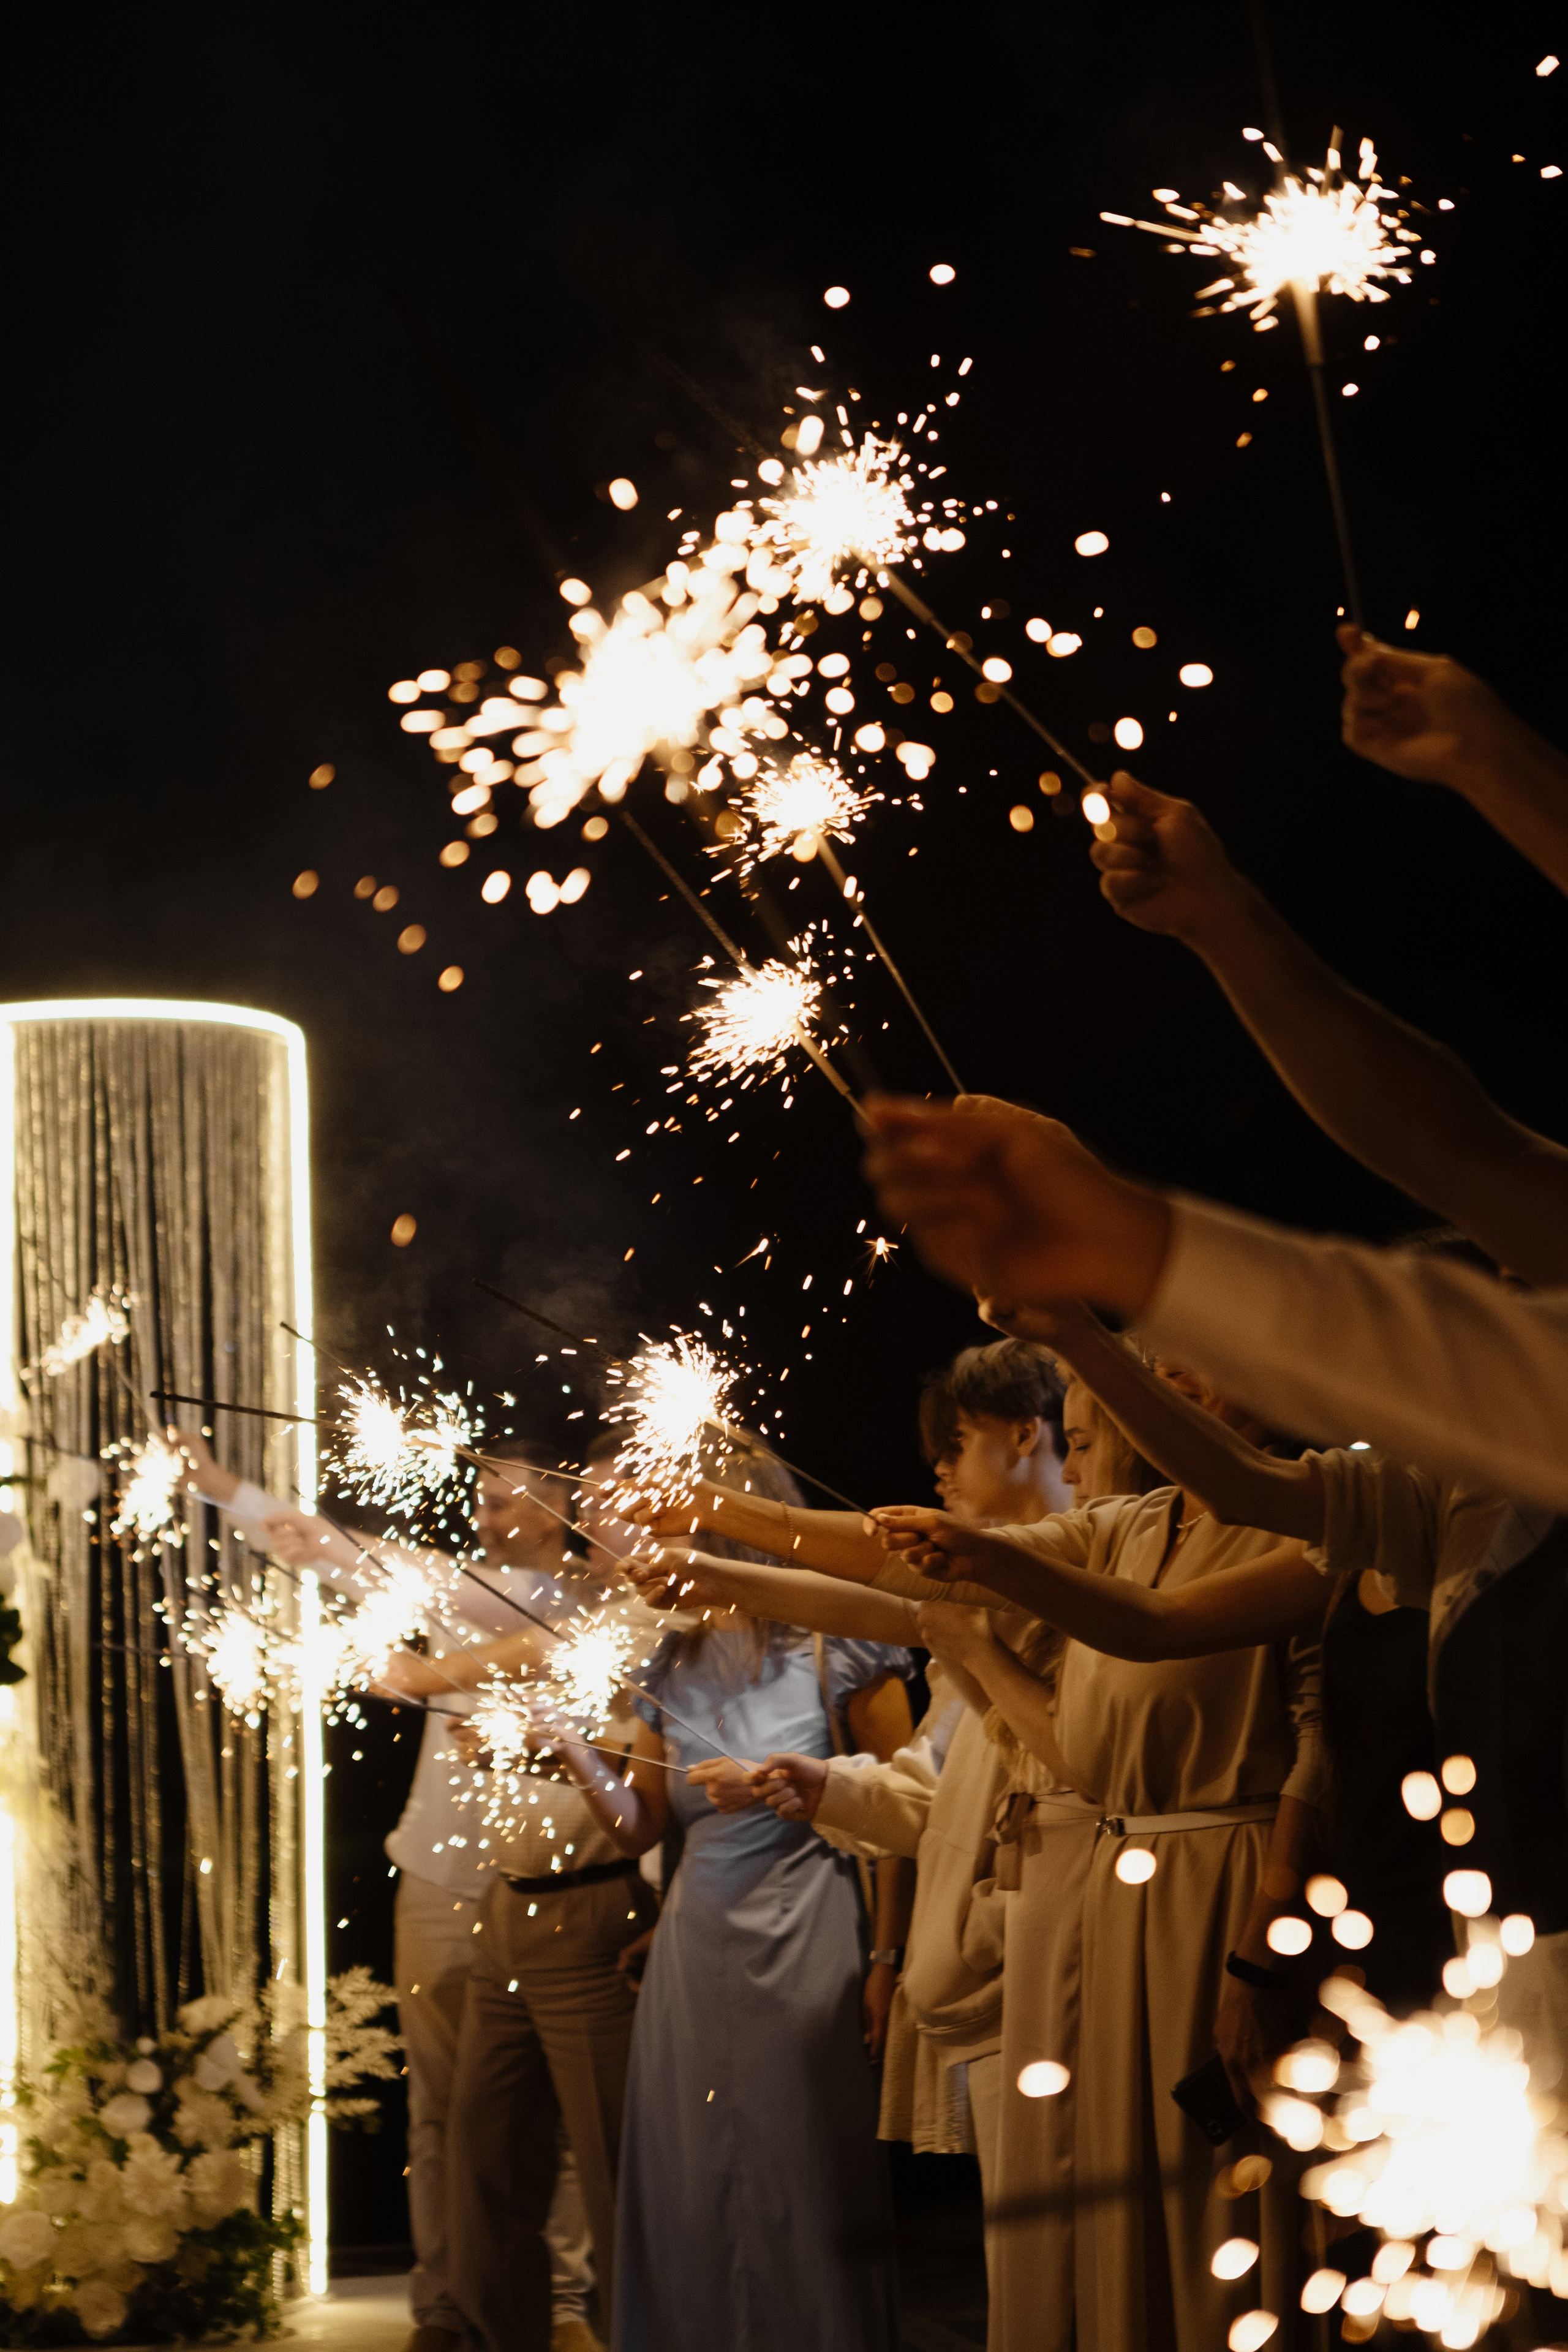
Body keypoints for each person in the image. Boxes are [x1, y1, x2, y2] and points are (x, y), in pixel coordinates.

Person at [180, 1428, 638, 2352]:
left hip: (563, 1889)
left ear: (558, 1514)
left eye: (507, 1500)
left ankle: (560, 2301)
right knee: (446, 2109)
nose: (487, 1514)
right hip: (440, 1878)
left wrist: (229, 1485)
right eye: (484, 1498)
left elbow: (368, 1559)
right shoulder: (462, 1586)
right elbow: (343, 1553)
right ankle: (446, 2305)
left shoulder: (606, 1611)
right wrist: (230, 1493)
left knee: (556, 2116)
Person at [538, 1436, 912, 2352]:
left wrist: (888, 1961)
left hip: (810, 1928)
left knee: (804, 2168)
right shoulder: (669, 1664)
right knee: (690, 2172)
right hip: (694, 1943)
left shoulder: (841, 1642)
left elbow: (909, 1805)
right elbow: (644, 1826)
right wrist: (580, 1756)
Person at [860, 1093, 1568, 1511]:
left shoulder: (1412, 1495)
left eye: (1078, 1444)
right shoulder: (1393, 1495)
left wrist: (1111, 1246)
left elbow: (1167, 1604)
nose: (1074, 1472)